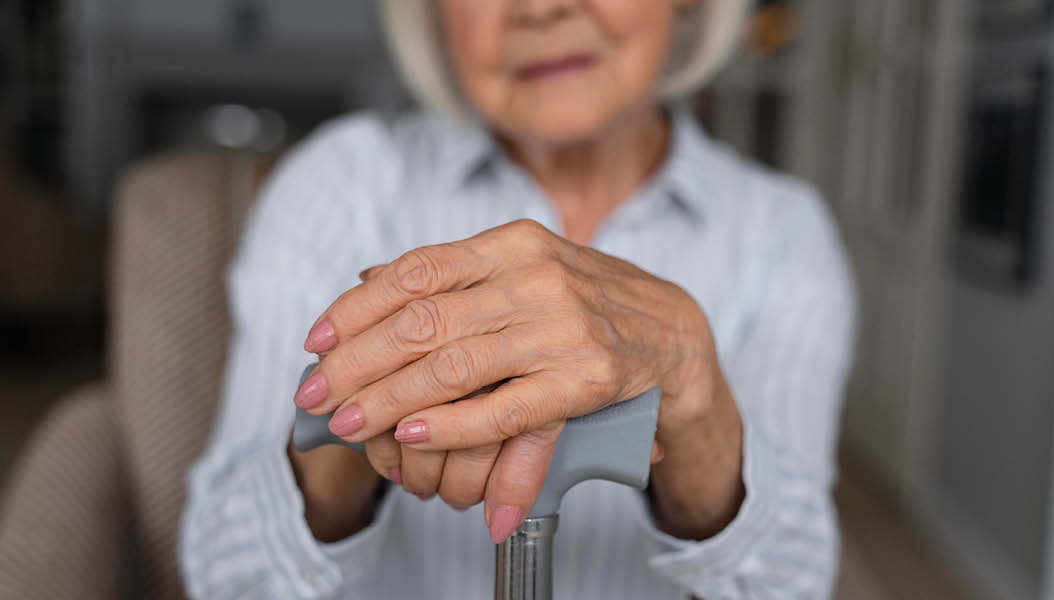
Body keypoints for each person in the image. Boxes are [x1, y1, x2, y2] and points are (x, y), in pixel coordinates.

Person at [179, 0, 856, 598]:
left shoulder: (781, 234)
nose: (540, 8)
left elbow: (788, 583)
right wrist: (365, 413)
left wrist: (694, 398)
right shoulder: (343, 185)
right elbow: (227, 577)